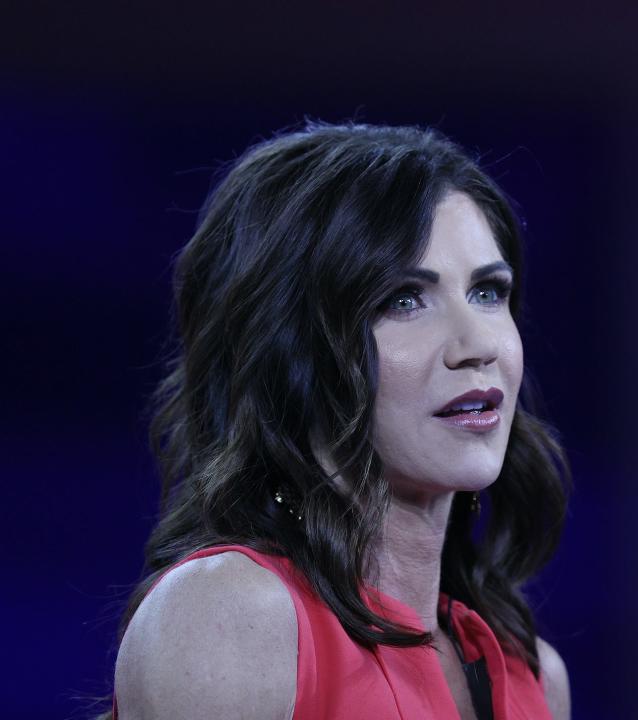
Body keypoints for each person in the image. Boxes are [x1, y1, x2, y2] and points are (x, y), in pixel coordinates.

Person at [105, 121, 571, 720]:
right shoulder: (229, 621)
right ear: (292, 348)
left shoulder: (534, 676)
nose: (476, 344)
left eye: (488, 291)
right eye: (403, 298)